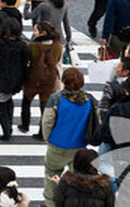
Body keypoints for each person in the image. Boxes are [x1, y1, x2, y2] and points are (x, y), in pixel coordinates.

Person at [41, 67, 97, 207]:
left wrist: (48, 139)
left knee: (52, 174)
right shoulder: (89, 100)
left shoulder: (56, 99)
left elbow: (47, 121)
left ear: (63, 81)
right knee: (77, 179)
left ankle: (51, 203)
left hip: (57, 144)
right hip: (79, 147)